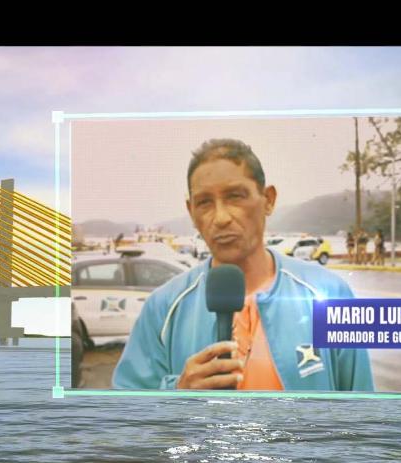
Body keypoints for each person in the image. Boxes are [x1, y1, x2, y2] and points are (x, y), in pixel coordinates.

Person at [111, 138, 374, 391]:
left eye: (235, 196)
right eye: (204, 203)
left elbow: (363, 416)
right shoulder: (163, 308)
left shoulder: (329, 294)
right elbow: (129, 416)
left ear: (268, 200)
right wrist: (178, 394)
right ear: (191, 211)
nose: (221, 217)